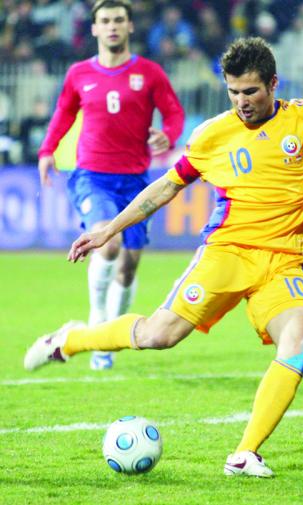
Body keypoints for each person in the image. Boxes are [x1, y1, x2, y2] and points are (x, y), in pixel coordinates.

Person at [25, 36, 303, 477]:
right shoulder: (214, 134)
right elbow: (166, 187)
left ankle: (244, 454)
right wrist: (109, 229)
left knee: (299, 339)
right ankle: (70, 340)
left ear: (273, 84)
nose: (241, 101)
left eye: (250, 91)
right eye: (233, 91)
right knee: (157, 336)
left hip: (284, 262)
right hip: (226, 254)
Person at [37, 0, 185, 371]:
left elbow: (174, 112)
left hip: (135, 181)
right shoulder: (79, 73)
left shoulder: (149, 73)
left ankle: (108, 340)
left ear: (130, 26)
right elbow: (64, 112)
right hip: (92, 176)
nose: (112, 26)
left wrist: (168, 135)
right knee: (108, 241)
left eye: (119, 20)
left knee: (128, 267)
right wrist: (47, 150)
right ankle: (97, 321)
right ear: (94, 29)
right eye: (105, 21)